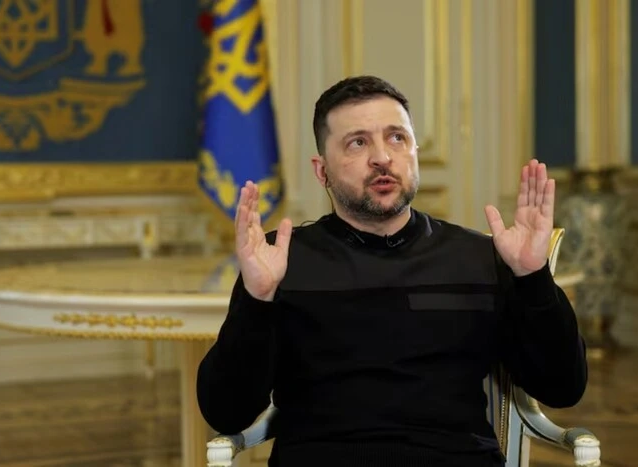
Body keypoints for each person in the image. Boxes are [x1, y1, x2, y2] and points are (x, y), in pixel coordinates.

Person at [197, 75, 587, 467]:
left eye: (397, 137)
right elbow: (226, 412)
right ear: (322, 171)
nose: (382, 157)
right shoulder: (280, 261)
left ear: (415, 152)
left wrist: (533, 277)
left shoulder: (479, 257)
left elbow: (562, 387)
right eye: (358, 142)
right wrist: (257, 300)